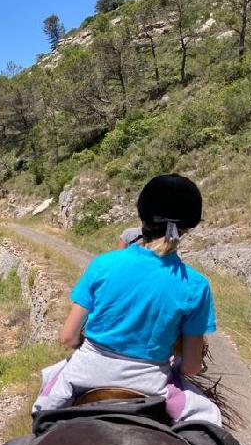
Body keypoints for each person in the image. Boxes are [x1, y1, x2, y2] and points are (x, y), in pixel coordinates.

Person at [34, 173, 221, 425]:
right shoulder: (196, 285)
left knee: (40, 417)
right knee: (209, 421)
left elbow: (67, 336)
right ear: (187, 228)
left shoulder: (103, 264)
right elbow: (190, 367)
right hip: (151, 385)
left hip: (85, 373)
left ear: (142, 218)